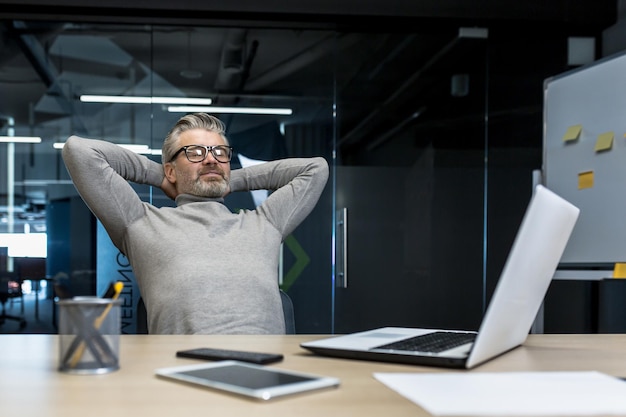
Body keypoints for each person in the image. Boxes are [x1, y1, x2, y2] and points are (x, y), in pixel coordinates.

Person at [62, 113, 329, 334]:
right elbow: (80, 152)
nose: (211, 158)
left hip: (266, 376)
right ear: (170, 169)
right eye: (196, 152)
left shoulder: (266, 222)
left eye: (220, 153)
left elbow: (315, 169)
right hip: (182, 378)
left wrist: (225, 178)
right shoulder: (140, 223)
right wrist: (162, 176)